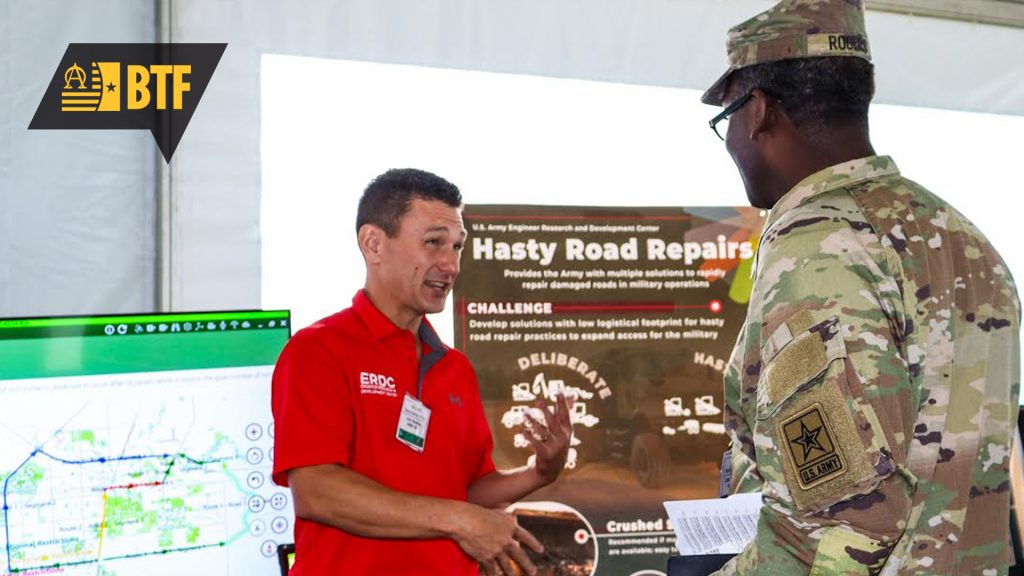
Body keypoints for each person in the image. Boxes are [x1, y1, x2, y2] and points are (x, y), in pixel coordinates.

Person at [702, 1, 1021, 574]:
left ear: (760, 111)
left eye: (724, 120)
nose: (729, 143)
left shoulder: (816, 246)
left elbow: (843, 525)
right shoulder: (958, 235)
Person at [271, 168, 574, 576]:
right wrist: (460, 520)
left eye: (457, 247)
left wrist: (539, 472)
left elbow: (466, 490)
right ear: (373, 243)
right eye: (433, 243)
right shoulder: (317, 351)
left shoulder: (455, 369)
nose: (450, 265)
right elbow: (317, 492)